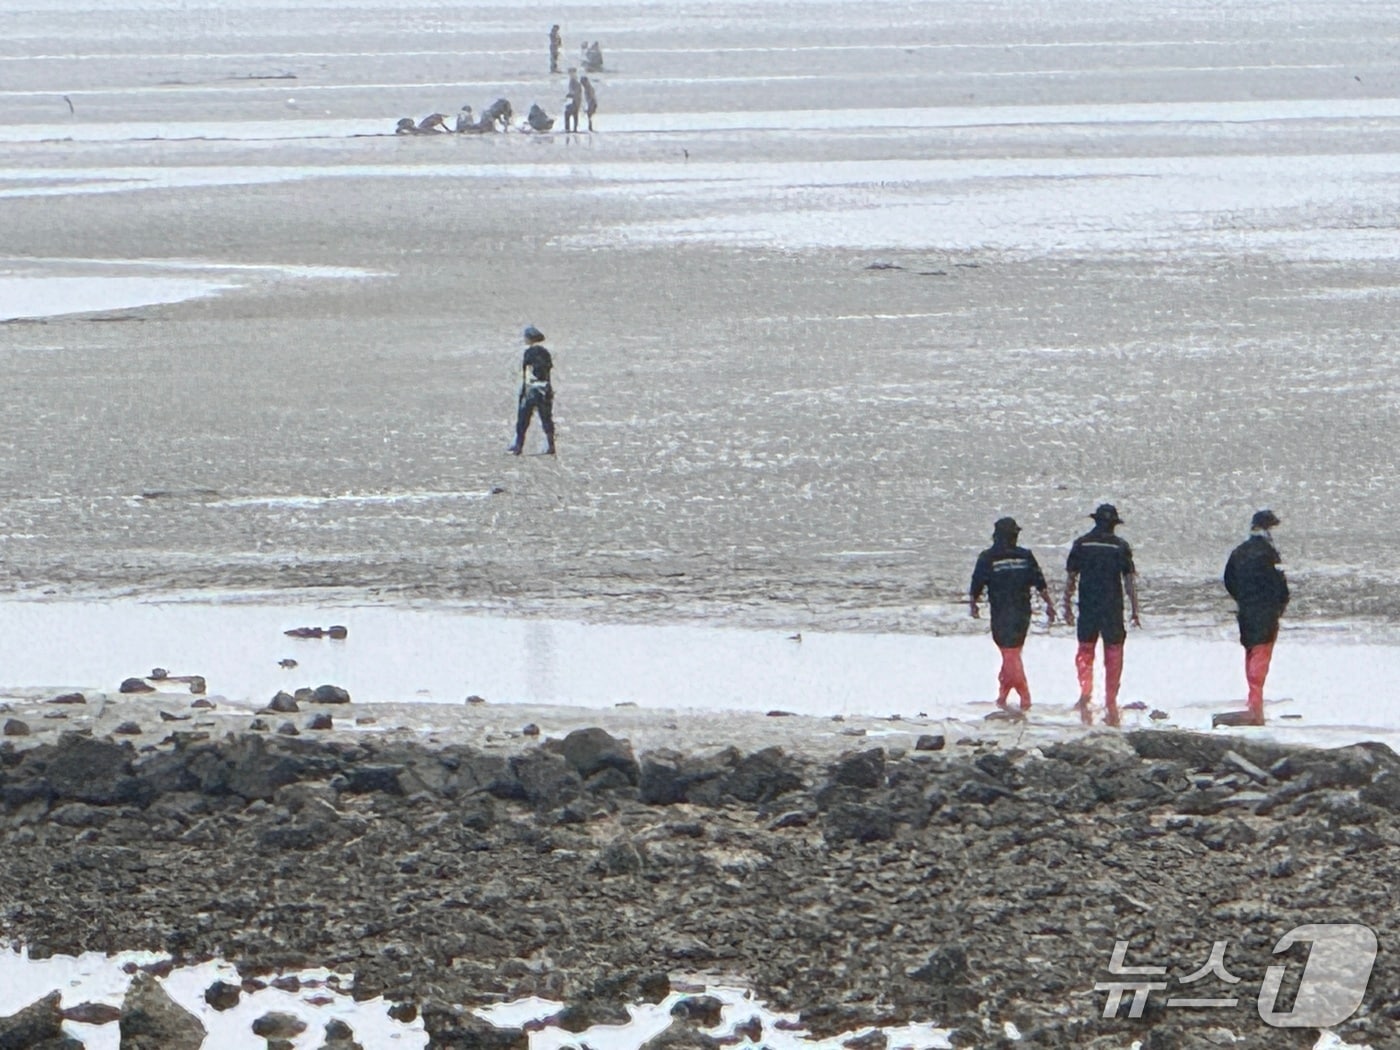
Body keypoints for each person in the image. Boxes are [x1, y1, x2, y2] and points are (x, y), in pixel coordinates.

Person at [1063, 503, 1141, 726]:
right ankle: (1110, 699)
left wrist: (1066, 604)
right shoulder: (1120, 547)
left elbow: (1071, 578)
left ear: (1095, 521)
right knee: (1113, 653)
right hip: (1112, 608)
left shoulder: (1082, 544)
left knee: (1085, 651)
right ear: (1114, 525)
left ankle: (1085, 694)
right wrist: (1135, 610)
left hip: (1088, 606)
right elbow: (1129, 582)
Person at [970, 517, 1055, 714]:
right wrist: (1049, 605)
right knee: (1012, 654)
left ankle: (1025, 697)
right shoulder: (1025, 556)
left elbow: (976, 585)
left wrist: (973, 605)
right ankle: (1003, 696)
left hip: (1000, 612)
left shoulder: (988, 557)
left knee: (1010, 654)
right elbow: (1040, 583)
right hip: (1022, 613)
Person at [1221, 510, 1289, 725]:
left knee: (1250, 652)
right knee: (1261, 654)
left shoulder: (1238, 552)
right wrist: (1280, 605)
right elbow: (1280, 585)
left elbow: (1229, 580)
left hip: (1246, 610)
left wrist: (1242, 598)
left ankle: (1253, 701)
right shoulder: (1270, 554)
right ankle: (1256, 706)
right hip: (1266, 610)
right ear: (1268, 530)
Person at [508, 326, 555, 455]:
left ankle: (518, 446)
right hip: (544, 389)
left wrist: (524, 391)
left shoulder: (529, 353)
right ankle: (551, 445)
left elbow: (528, 373)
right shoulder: (545, 353)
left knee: (523, 419)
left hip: (532, 390)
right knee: (546, 419)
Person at [563, 68, 582, 132]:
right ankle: (574, 129)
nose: (570, 74)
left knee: (567, 114)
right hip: (576, 101)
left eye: (571, 73)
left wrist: (569, 95)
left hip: (574, 102)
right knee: (575, 115)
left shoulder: (573, 81)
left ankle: (568, 129)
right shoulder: (576, 81)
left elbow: (575, 92)